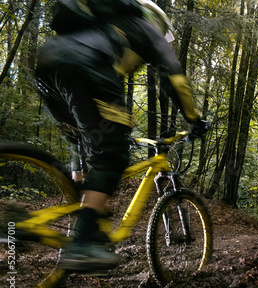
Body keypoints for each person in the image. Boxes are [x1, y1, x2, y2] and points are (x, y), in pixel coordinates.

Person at [35, 0, 208, 271]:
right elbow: (174, 79)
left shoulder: (101, 27)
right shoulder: (146, 28)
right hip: (87, 66)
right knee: (112, 158)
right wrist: (194, 119)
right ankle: (83, 244)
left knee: (84, 143)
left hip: (48, 67)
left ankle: (89, 222)